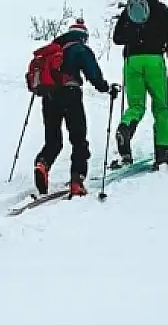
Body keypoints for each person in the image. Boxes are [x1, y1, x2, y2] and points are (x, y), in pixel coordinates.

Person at [32, 19, 113, 197]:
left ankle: (42, 164)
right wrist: (106, 88)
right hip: (70, 94)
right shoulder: (79, 49)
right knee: (78, 139)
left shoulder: (53, 48)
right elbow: (93, 74)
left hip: (49, 96)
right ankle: (77, 181)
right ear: (83, 37)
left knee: (53, 140)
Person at [113, 0, 168, 170]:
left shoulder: (131, 10)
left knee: (136, 105)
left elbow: (117, 38)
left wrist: (134, 36)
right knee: (161, 107)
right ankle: (163, 153)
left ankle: (125, 128)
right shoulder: (164, 12)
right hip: (154, 61)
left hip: (132, 61)